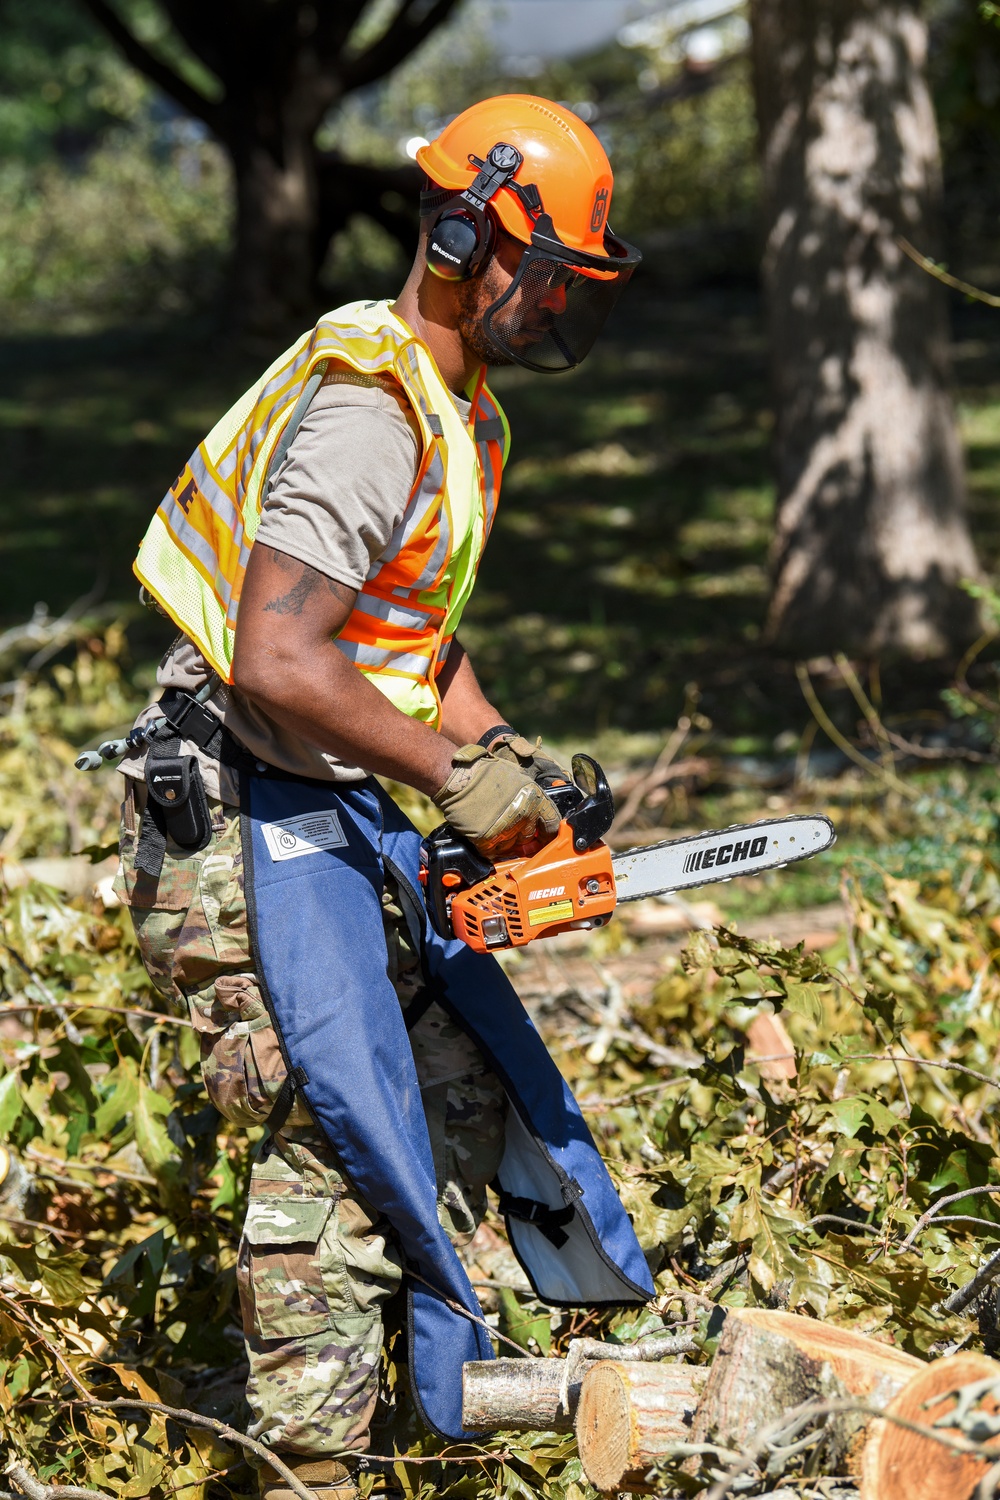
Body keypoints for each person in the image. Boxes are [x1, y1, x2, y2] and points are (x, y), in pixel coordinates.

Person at [114, 94, 651, 1500]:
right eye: (548, 277)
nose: (554, 309)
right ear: (472, 237)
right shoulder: (371, 409)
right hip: (229, 822)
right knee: (334, 1128)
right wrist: (447, 778)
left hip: (315, 803)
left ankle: (432, 1402)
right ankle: (309, 1465)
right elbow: (279, 652)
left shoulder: (459, 409)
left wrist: (510, 765)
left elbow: (406, 632)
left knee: (459, 1083)